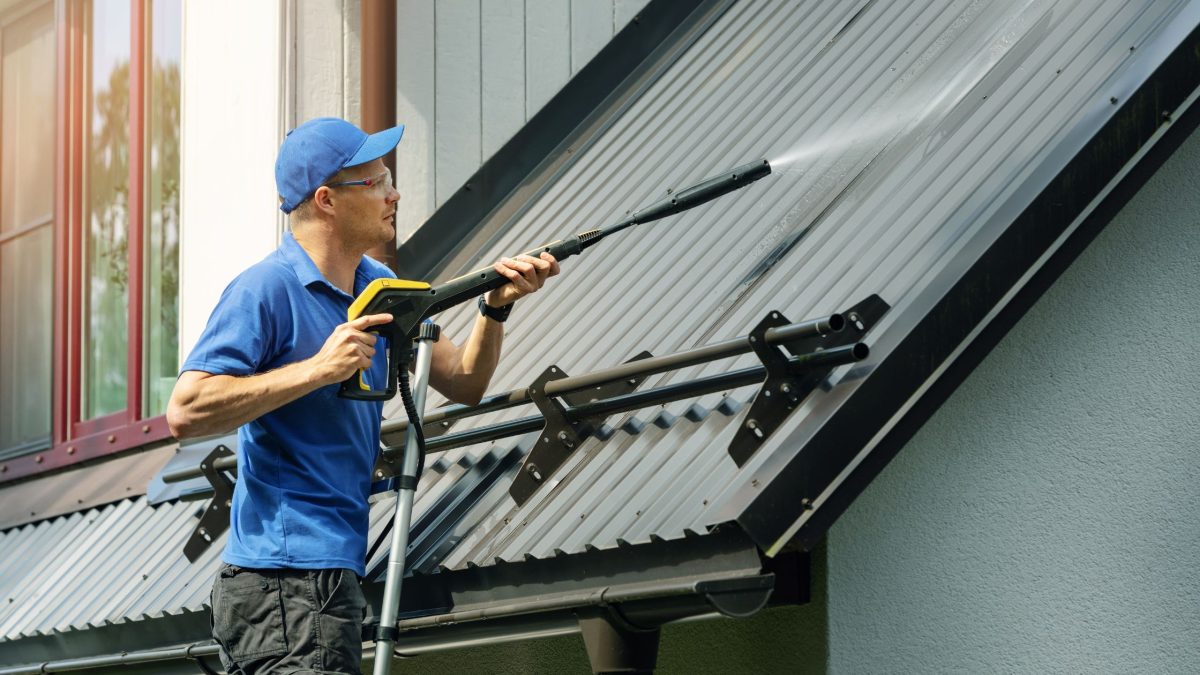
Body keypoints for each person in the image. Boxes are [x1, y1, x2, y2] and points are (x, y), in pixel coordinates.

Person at [166, 117, 559, 674]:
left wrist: (495, 307)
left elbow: (467, 382)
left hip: (326, 577)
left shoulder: (378, 287)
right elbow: (185, 410)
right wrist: (318, 369)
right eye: (375, 182)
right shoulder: (265, 289)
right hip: (284, 582)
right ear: (327, 200)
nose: (394, 193)